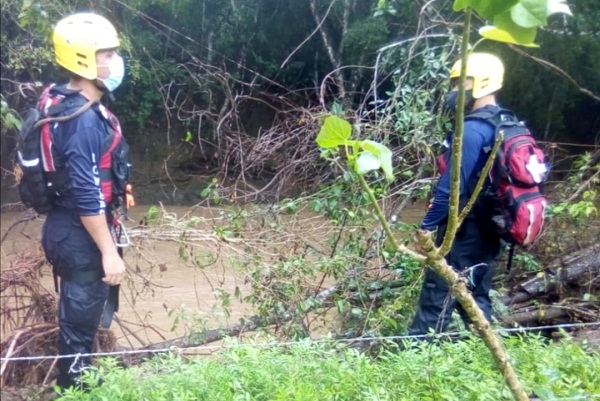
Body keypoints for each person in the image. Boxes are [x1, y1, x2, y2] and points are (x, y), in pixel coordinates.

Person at [40, 13, 130, 390]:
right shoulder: (83, 121)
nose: (114, 61)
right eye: (107, 53)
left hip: (66, 230)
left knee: (79, 323)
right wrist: (109, 252)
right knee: (77, 336)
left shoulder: (58, 98)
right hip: (80, 234)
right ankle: (75, 393)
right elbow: (86, 193)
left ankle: (84, 387)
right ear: (83, 60)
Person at [409, 53, 504, 336]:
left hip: (464, 230)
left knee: (436, 298)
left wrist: (426, 228)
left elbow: (452, 188)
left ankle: (415, 360)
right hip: (490, 228)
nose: (454, 92)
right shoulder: (505, 123)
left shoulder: (474, 129)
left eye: (461, 83)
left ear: (483, 83)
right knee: (476, 294)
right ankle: (485, 353)